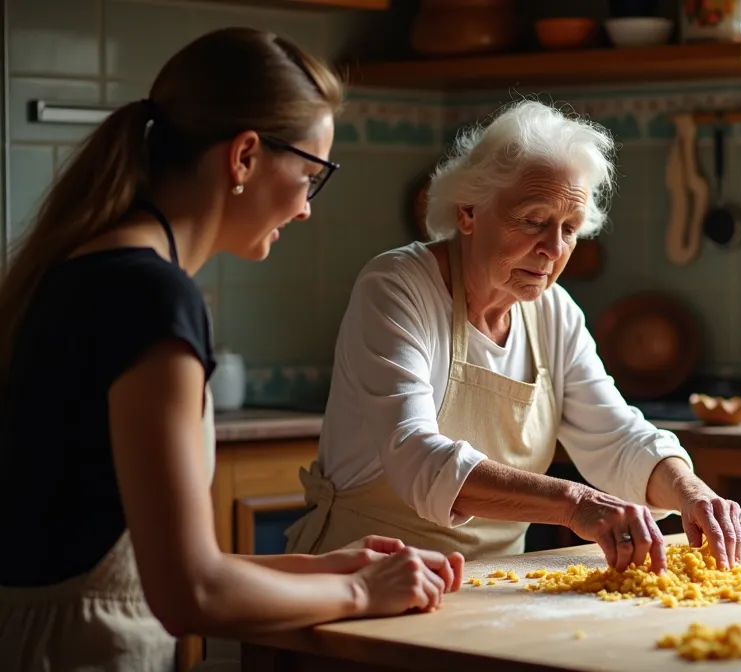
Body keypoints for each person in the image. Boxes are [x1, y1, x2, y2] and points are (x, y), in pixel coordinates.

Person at [0, 27, 463, 672]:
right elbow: (189, 594)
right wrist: (361, 591)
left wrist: (319, 569)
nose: (306, 208)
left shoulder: (85, 266)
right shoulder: (152, 298)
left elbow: (148, 561)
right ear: (244, 156)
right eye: (310, 174)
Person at [285, 100, 741, 573]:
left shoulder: (554, 312)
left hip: (493, 584)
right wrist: (572, 502)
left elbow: (617, 438)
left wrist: (694, 494)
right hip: (363, 577)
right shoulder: (398, 286)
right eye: (533, 220)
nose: (553, 249)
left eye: (570, 229)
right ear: (468, 212)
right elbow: (417, 458)